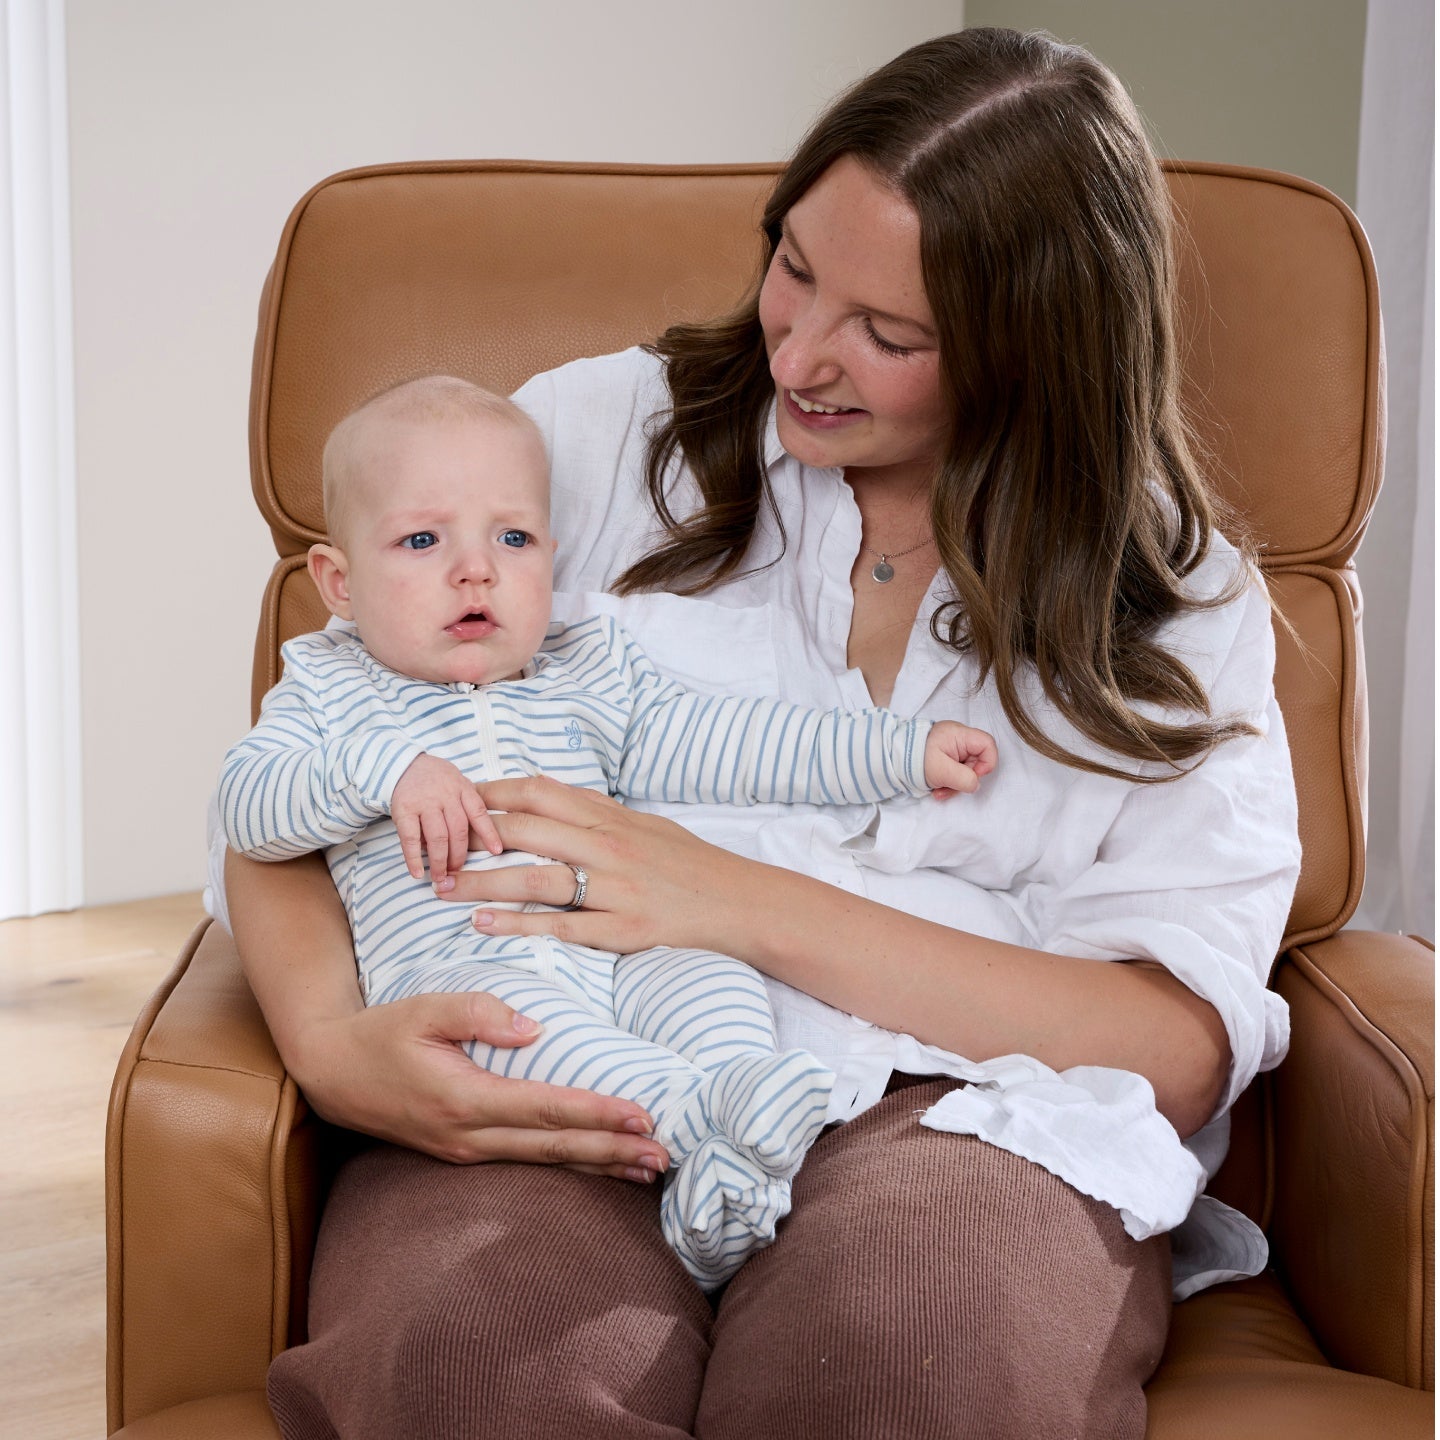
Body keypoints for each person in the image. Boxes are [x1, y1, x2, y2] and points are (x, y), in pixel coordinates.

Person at [213, 26, 1301, 1440]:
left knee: (906, 1374)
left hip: (969, 1105)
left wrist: (730, 900)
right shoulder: (590, 441)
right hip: (560, 1043)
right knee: (478, 1370)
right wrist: (329, 1046)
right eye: (793, 266)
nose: (802, 351)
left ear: (1038, 353)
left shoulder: (1174, 597)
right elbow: (298, 778)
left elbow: (1177, 1041)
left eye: (891, 336)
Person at [218, 374, 997, 1289]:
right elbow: (248, 807)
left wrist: (898, 752)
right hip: (470, 971)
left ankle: (732, 1131)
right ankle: (700, 1127)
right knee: (524, 1031)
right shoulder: (327, 690)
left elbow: (731, 742)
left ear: (551, 557)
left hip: (619, 948)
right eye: (423, 541)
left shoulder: (586, 674)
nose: (476, 570)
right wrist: (381, 772)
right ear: (339, 582)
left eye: (512, 539)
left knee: (707, 966)